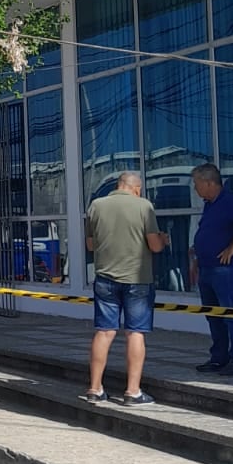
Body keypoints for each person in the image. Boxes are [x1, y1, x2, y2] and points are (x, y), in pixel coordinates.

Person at [84, 171, 170, 406]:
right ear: (136, 188)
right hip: (137, 278)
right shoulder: (144, 206)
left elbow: (90, 244)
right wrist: (163, 240)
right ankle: (132, 392)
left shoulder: (96, 205)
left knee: (104, 331)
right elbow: (154, 245)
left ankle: (95, 389)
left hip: (104, 278)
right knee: (135, 332)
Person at [189, 162, 233, 373]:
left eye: (196, 183)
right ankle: (219, 357)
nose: (195, 188)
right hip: (206, 268)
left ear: (208, 183)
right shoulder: (210, 204)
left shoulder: (229, 201)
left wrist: (231, 248)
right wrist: (197, 253)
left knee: (230, 314)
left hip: (224, 270)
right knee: (213, 315)